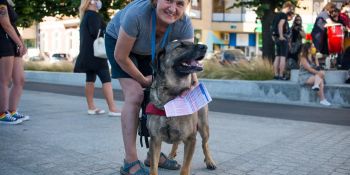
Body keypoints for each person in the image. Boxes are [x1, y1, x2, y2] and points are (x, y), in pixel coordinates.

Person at [105, 0, 196, 174]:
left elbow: (187, 59)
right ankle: (130, 162)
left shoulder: (184, 23)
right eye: (168, 0)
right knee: (136, 95)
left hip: (149, 51)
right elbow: (121, 56)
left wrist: (192, 81)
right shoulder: (137, 15)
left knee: (157, 96)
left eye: (180, 3)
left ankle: (152, 154)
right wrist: (142, 80)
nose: (173, 8)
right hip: (120, 46)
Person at [74, 0, 121, 116]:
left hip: (87, 54)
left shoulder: (85, 16)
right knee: (106, 79)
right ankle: (112, 108)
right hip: (97, 54)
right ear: (91, 2)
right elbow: (96, 32)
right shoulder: (94, 15)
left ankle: (91, 107)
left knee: (90, 79)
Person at [0, 0, 30, 124]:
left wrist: (21, 42)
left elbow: (12, 25)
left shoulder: (8, 2)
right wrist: (19, 43)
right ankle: (2, 113)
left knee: (20, 79)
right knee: (5, 80)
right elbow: (5, 23)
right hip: (3, 41)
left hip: (13, 41)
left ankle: (12, 111)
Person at [273, 1, 295, 80]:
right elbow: (280, 25)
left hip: (276, 38)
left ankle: (276, 75)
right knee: (283, 57)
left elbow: (274, 26)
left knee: (277, 57)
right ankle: (281, 75)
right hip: (282, 38)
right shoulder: (283, 15)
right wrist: (282, 36)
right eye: (290, 9)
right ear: (288, 7)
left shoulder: (277, 15)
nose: (290, 10)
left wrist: (276, 36)